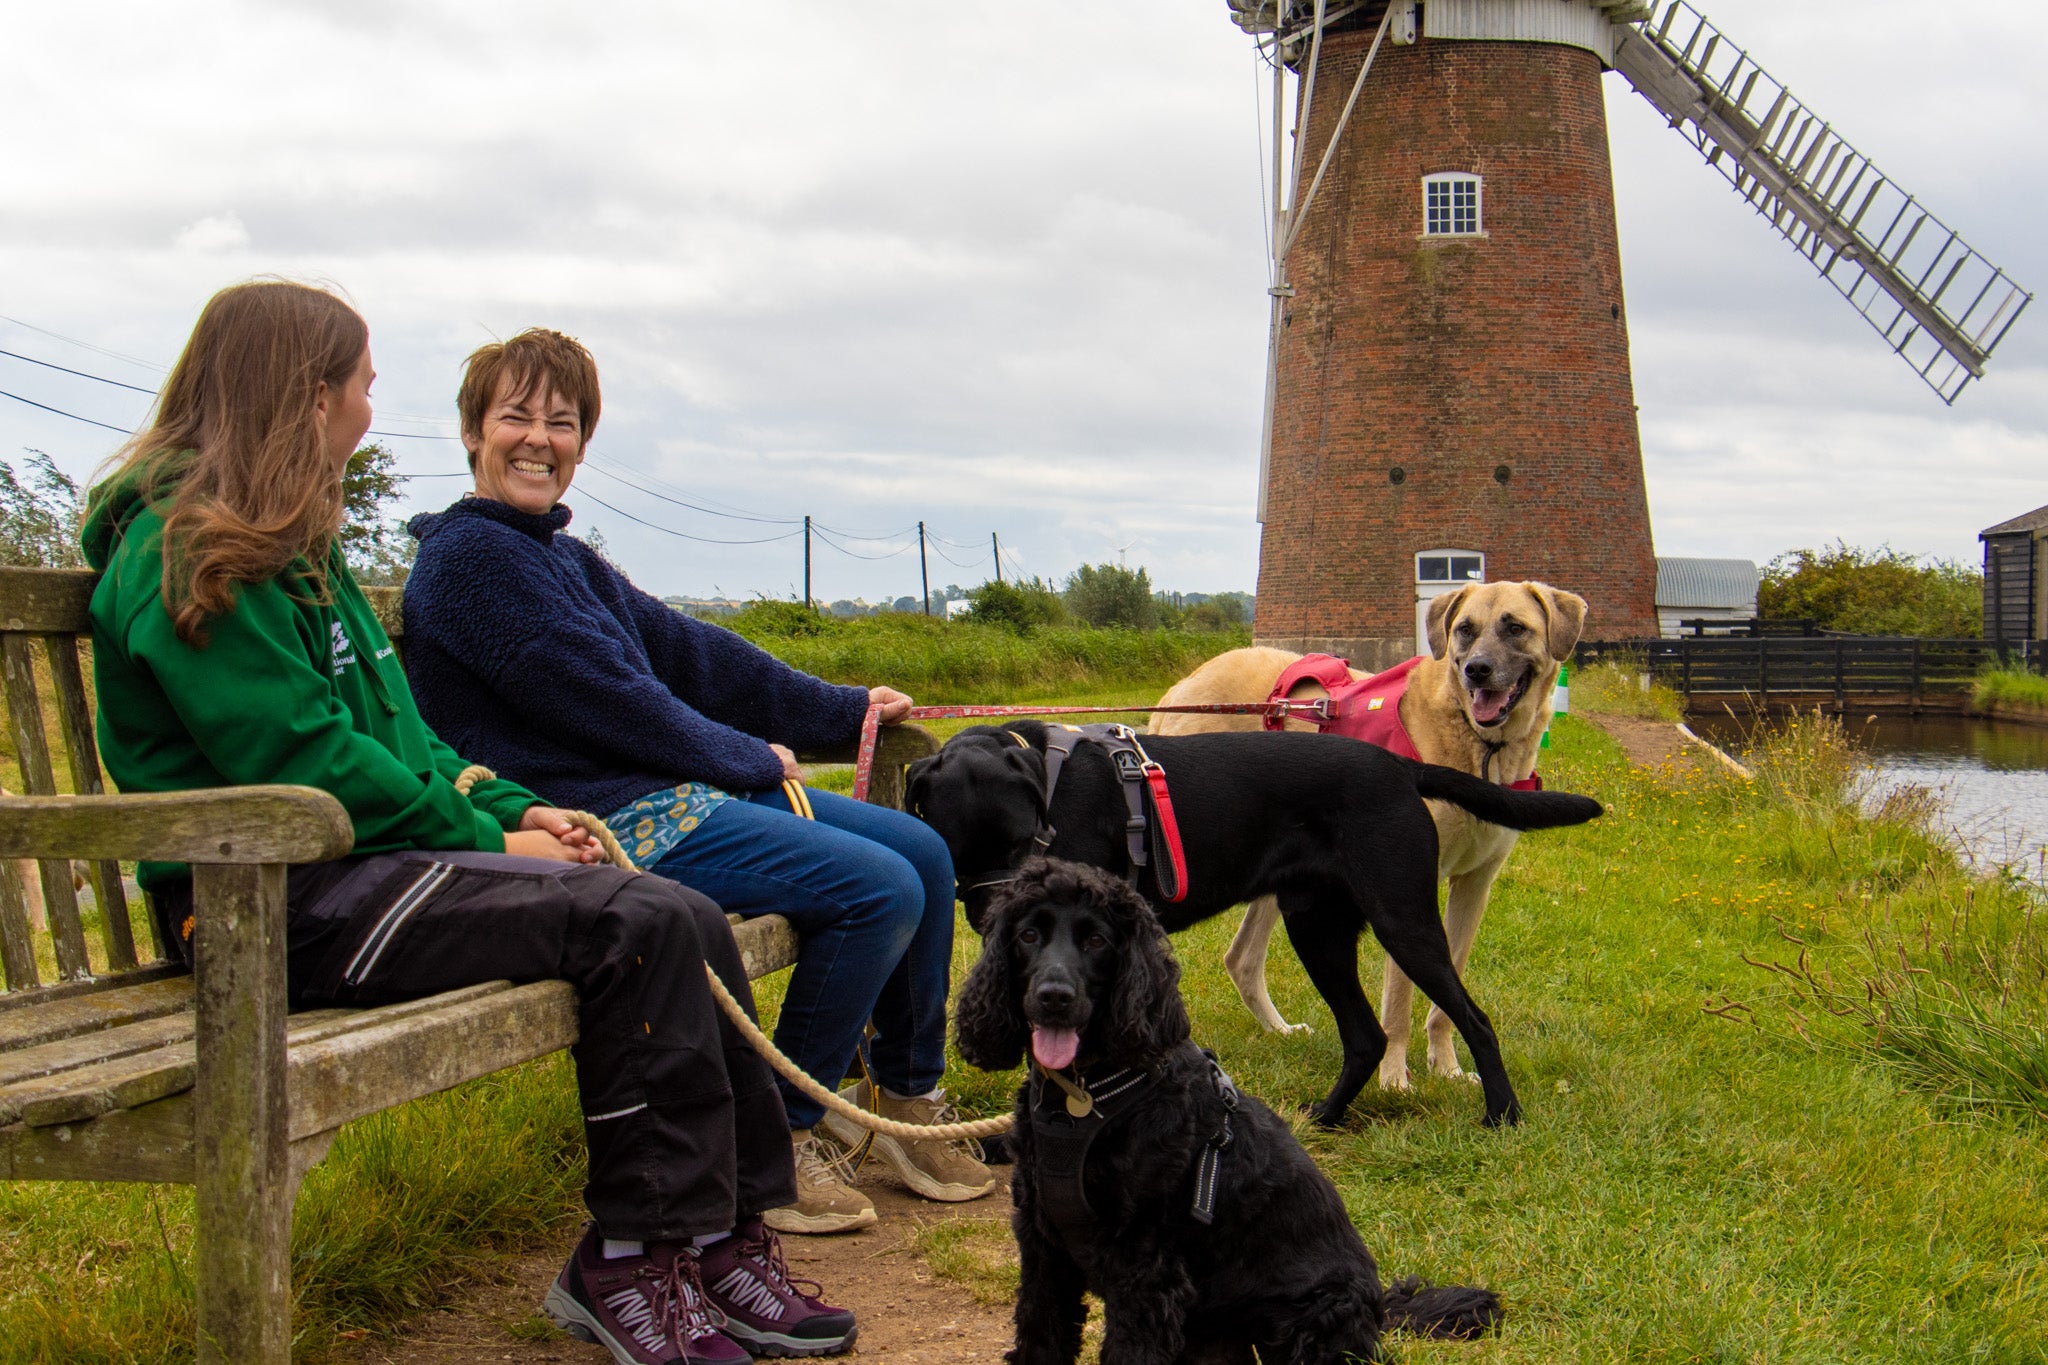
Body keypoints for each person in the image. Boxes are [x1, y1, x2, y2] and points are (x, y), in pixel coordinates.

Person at [83, 281, 854, 1365]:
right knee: (632, 925)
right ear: (304, 398)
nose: (364, 409)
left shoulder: (290, 549)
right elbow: (296, 760)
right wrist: (490, 842)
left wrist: (510, 803)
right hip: (263, 908)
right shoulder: (190, 551)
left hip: (356, 875)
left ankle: (721, 1236)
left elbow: (399, 738)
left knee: (680, 912)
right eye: (358, 386)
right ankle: (629, 1260)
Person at [400, 329, 991, 1235]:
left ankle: (903, 1104)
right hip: (589, 820)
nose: (537, 438)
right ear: (473, 432)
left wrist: (841, 712)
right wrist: (748, 757)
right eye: (514, 415)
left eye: (561, 421)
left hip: (669, 794)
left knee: (922, 849)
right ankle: (779, 1140)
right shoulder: (470, 561)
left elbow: (688, 652)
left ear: (583, 443)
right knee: (877, 888)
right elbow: (606, 699)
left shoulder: (559, 555)